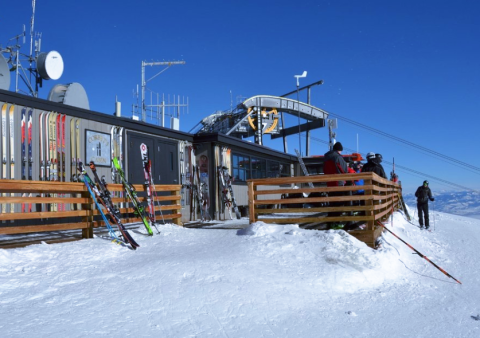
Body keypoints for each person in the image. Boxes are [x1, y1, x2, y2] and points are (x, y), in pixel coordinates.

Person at [323, 142, 351, 228]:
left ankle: (330, 222)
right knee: (339, 202)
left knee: (332, 202)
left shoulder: (326, 157)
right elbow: (343, 169)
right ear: (339, 150)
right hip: (338, 183)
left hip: (329, 183)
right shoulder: (338, 157)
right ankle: (337, 222)